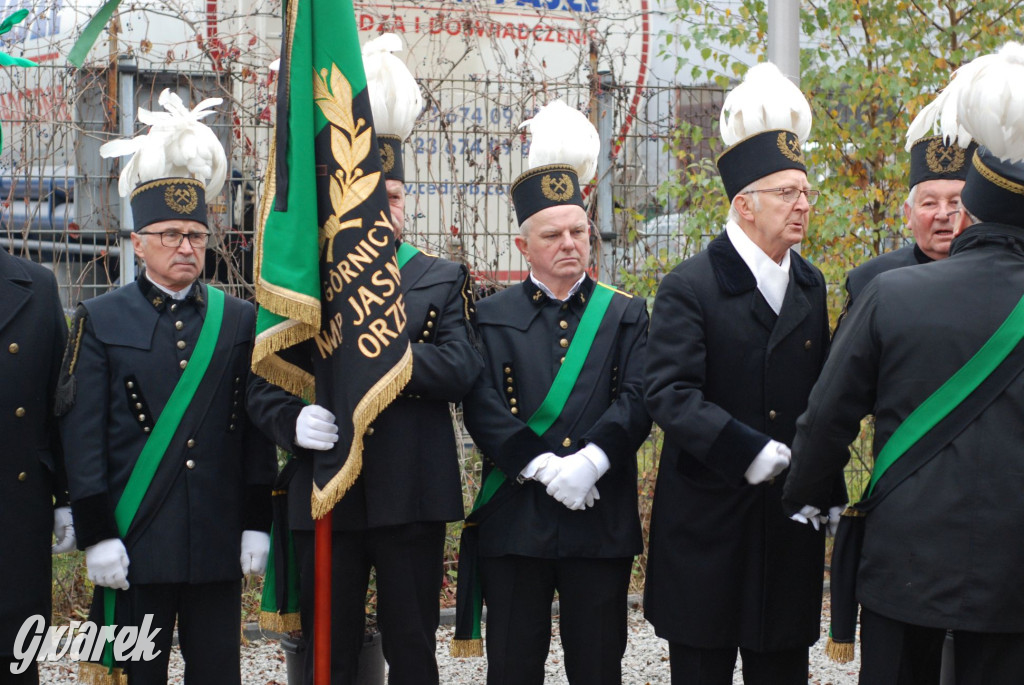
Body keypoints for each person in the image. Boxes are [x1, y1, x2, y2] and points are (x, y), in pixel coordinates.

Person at [784, 42, 1024, 685]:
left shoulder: (892, 295)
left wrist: (809, 495)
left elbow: (827, 418)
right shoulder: (883, 283)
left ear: (971, 208)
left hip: (905, 563)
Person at [250, 33, 482, 685]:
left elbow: (463, 368)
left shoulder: (440, 275)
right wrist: (291, 425)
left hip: (411, 489)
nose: (386, 213)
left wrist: (386, 354)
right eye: (374, 200)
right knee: (330, 650)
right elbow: (264, 383)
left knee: (413, 651)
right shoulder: (304, 285)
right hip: (329, 486)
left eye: (397, 199)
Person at [59, 90, 277, 684]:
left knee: (218, 674)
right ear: (139, 242)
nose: (187, 247)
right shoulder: (101, 321)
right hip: (136, 539)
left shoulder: (238, 320)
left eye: (197, 236)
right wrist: (97, 533)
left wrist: (258, 518)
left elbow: (254, 427)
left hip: (215, 538)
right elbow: (85, 438)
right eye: (171, 234)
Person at [642, 62, 846, 685]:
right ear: (743, 203)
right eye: (787, 192)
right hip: (709, 525)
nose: (803, 205)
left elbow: (824, 397)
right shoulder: (690, 286)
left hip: (786, 527)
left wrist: (824, 483)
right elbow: (668, 394)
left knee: (780, 666)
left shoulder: (809, 285)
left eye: (806, 192)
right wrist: (747, 450)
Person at [457, 99, 651, 685]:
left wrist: (591, 462)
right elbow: (480, 404)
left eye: (578, 231)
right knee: (514, 667)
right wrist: (542, 467)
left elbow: (641, 397)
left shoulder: (625, 314)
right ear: (523, 247)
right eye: (553, 234)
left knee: (598, 668)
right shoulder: (489, 316)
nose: (569, 243)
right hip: (517, 521)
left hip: (601, 518)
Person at [0, 248, 75, 683]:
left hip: (17, 508)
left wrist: (66, 497)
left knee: (15, 654)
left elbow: (59, 401)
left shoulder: (35, 285)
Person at [843, 135, 977, 308]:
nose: (943, 215)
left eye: (956, 202)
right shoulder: (868, 280)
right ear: (909, 213)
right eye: (930, 203)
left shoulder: (1001, 276)